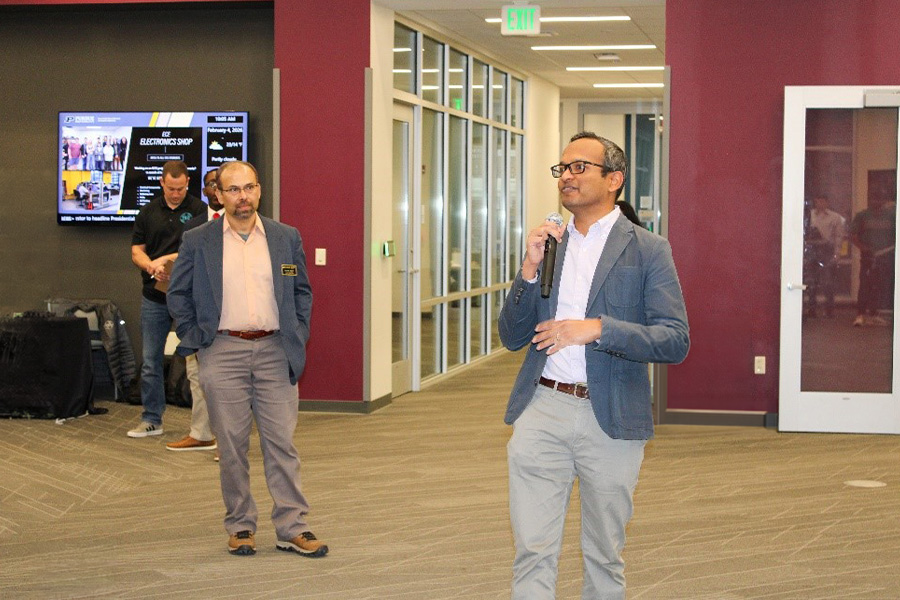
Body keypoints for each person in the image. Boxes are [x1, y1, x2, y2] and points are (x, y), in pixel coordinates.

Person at [499, 132, 689, 599]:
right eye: (562, 168)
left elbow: (674, 340)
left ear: (614, 180)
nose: (567, 176)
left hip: (612, 417)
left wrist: (598, 328)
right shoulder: (551, 245)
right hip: (542, 407)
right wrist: (527, 270)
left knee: (605, 554)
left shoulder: (648, 249)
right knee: (533, 549)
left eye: (579, 167)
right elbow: (512, 335)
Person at [167, 160, 328, 558]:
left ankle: (292, 526)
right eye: (234, 189)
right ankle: (240, 525)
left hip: (276, 351)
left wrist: (299, 334)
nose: (244, 197)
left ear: (259, 190)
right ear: (218, 195)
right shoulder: (198, 240)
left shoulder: (285, 237)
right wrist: (198, 339)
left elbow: (302, 291)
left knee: (282, 444)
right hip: (222, 350)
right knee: (232, 445)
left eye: (250, 187)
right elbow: (178, 293)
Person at [128, 160, 206, 438]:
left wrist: (167, 259)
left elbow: (197, 250)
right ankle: (151, 419)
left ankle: (203, 428)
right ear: (162, 183)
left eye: (181, 188)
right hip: (154, 297)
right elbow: (137, 250)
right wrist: (151, 266)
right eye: (171, 188)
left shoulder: (199, 211)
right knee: (150, 360)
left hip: (189, 298)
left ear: (188, 183)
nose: (176, 193)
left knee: (198, 361)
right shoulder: (147, 212)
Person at [165, 169, 224, 453]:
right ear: (205, 190)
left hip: (232, 322)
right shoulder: (194, 228)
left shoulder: (245, 225)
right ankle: (201, 434)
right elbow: (183, 279)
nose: (215, 189)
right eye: (210, 184)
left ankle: (228, 443)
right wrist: (186, 324)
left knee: (227, 383)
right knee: (196, 377)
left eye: (219, 184)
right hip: (199, 321)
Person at [850, 193, 896, 326]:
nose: (877, 201)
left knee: (880, 285)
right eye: (875, 198)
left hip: (885, 255)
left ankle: (874, 314)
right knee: (865, 284)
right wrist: (864, 248)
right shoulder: (862, 216)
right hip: (868, 256)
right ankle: (860, 314)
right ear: (870, 200)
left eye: (880, 199)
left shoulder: (891, 216)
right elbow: (853, 235)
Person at [805, 195, 845, 317]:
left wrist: (837, 253)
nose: (820, 203)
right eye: (818, 201)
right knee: (812, 280)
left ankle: (829, 309)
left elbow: (838, 236)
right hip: (812, 249)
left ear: (827, 202)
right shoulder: (808, 215)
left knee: (828, 281)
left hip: (827, 249)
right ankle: (812, 309)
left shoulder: (835, 217)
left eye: (823, 201)